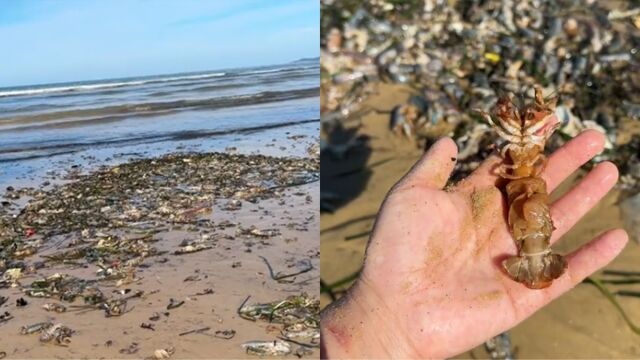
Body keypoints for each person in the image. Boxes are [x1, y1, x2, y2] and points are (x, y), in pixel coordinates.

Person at [320, 129, 628, 359]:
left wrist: (385, 327)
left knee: (529, 199)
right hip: (531, 226)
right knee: (531, 198)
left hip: (531, 234)